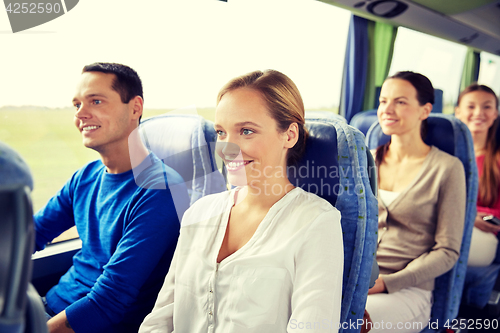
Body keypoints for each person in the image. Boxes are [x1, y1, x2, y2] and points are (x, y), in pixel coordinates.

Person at [139, 70, 343, 333]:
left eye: (246, 131)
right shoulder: (198, 213)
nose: (227, 148)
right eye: (221, 132)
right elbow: (160, 319)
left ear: (289, 135)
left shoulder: (316, 223)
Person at [34, 63, 189, 333]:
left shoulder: (159, 191)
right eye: (76, 105)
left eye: (96, 101)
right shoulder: (85, 177)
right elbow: (31, 233)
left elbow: (108, 302)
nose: (81, 114)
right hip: (49, 305)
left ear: (135, 108)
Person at [365, 71, 466, 332]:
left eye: (400, 102)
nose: (387, 109)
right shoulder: (366, 160)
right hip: (356, 279)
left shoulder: (447, 168)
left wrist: (387, 282)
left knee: (349, 324)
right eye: (383, 101)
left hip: (408, 290)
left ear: (425, 110)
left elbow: (447, 251)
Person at [455, 83, 500, 308]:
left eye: (486, 107)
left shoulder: (497, 160)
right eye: (471, 106)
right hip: (449, 224)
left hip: (483, 233)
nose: (478, 113)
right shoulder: (444, 157)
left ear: (495, 114)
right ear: (458, 112)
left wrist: (472, 217)